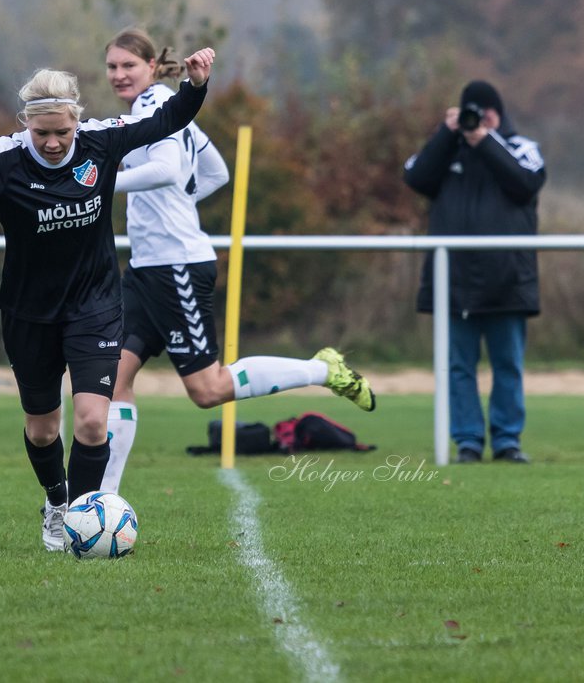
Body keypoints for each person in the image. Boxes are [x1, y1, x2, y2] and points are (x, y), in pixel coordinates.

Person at [0, 49, 217, 552]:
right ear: (26, 124)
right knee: (44, 429)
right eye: (41, 133)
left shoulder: (101, 141)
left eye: (62, 133)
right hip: (29, 312)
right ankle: (55, 500)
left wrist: (195, 87)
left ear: (77, 122)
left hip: (94, 304)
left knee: (94, 421)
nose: (51, 143)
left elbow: (166, 121)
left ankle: (81, 520)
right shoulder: (5, 160)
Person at [98, 29, 376, 494]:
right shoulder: (162, 109)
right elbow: (216, 172)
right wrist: (180, 201)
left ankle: (322, 370)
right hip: (146, 269)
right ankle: (101, 502)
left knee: (208, 390)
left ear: (151, 66)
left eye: (129, 65)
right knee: (111, 378)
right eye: (112, 67)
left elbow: (167, 170)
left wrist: (104, 182)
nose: (120, 74)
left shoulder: (152, 108)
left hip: (177, 266)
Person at [404, 80, 545, 464]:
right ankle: (467, 441)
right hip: (455, 283)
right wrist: (445, 135)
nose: (476, 121)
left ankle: (507, 441)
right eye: (470, 113)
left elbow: (526, 182)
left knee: (508, 366)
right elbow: (416, 177)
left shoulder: (520, 148)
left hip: (507, 281)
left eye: (485, 114)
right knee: (458, 367)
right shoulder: (446, 151)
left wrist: (486, 140)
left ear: (499, 114)